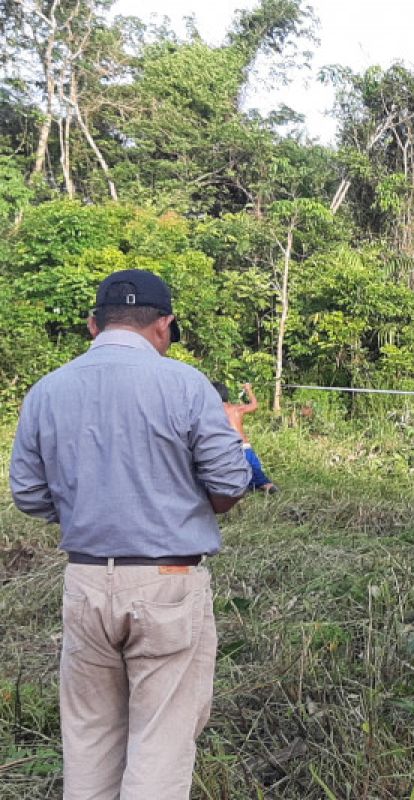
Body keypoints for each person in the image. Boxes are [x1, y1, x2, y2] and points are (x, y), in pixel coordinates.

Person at [9, 269, 251, 800]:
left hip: (87, 580)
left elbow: (28, 494)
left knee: (90, 736)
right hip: (169, 578)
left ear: (93, 324)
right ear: (165, 326)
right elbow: (231, 483)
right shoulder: (185, 384)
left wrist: (88, 510)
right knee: (160, 742)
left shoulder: (48, 390)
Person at [212, 380, 279, 493]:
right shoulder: (237, 409)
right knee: (256, 473)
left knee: (238, 475)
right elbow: (254, 405)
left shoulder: (213, 412)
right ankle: (263, 485)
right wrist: (249, 390)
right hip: (245, 448)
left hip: (230, 450)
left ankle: (263, 486)